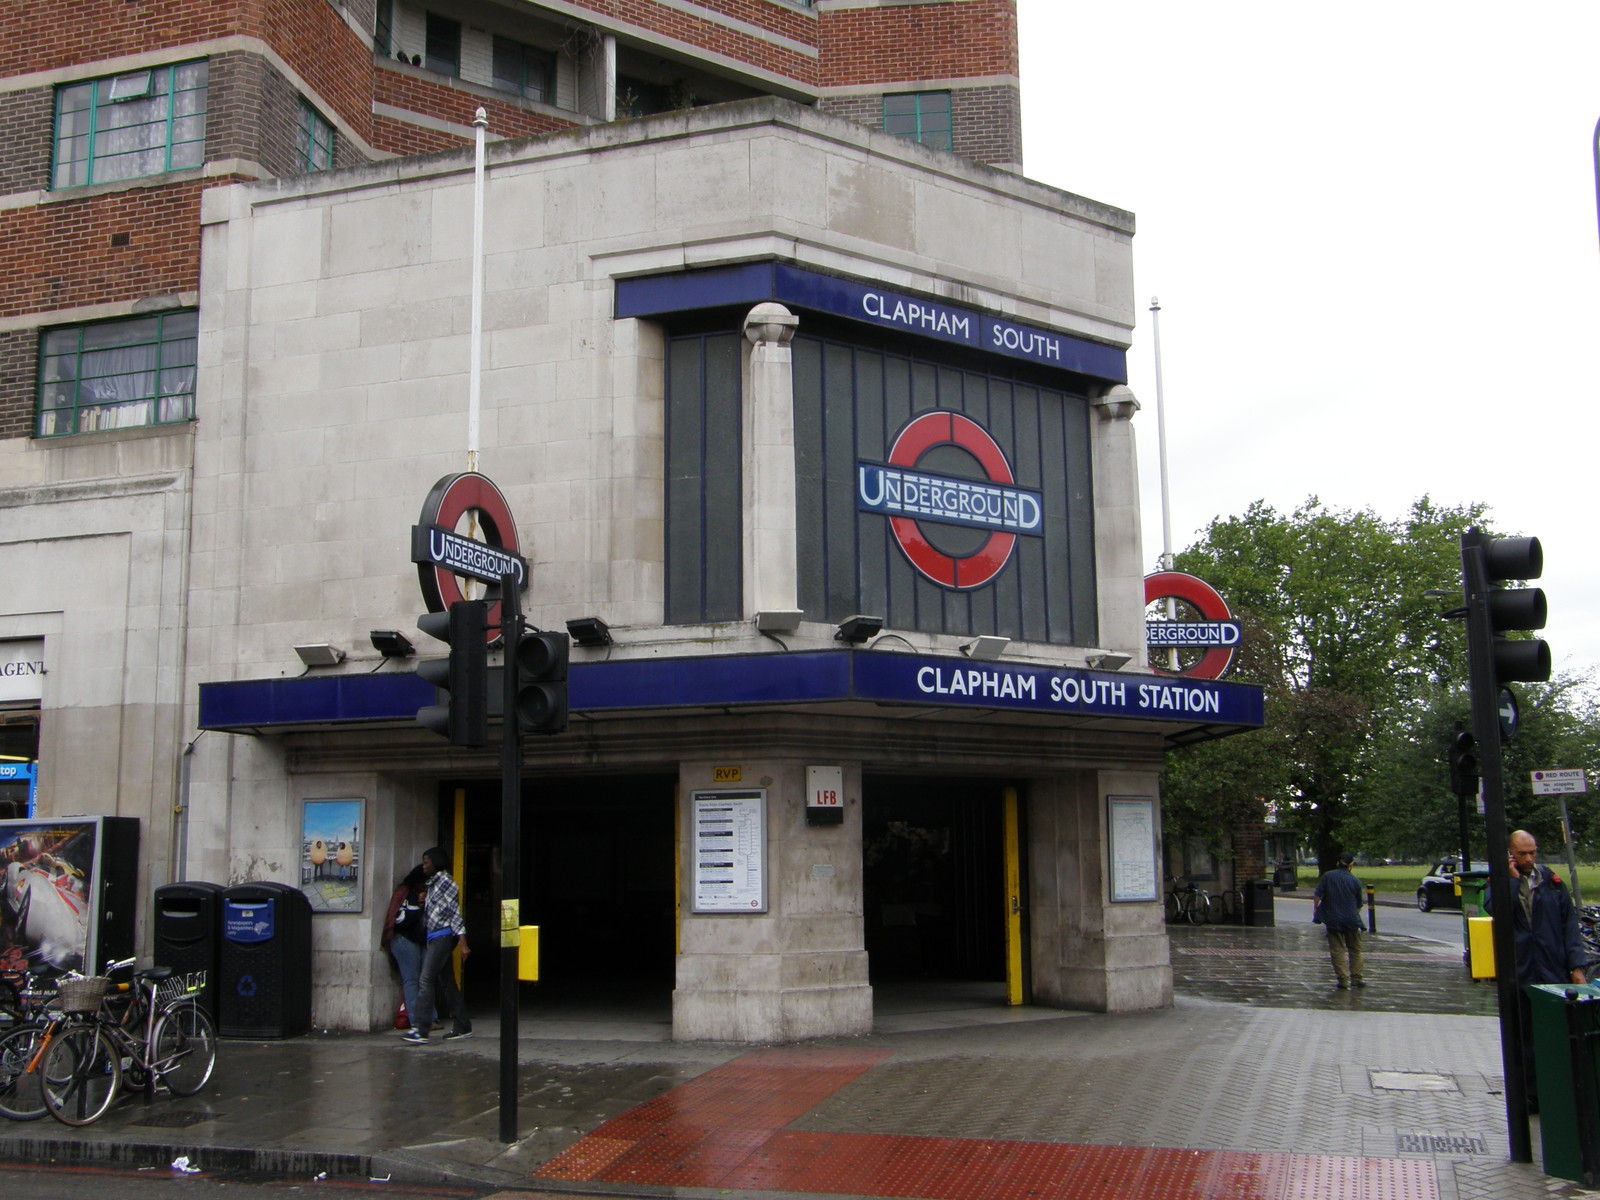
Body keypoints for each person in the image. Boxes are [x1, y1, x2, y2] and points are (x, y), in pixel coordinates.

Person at [1506, 829, 1586, 1110]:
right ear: (1511, 855)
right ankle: (1531, 1094)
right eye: (1522, 854)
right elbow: (1496, 909)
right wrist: (1513, 883)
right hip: (1522, 970)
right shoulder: (1504, 881)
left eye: (1532, 852)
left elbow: (1569, 926)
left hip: (1552, 969)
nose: (1528, 858)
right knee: (1525, 1035)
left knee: (1556, 1032)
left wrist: (1576, 966)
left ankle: (1557, 1088)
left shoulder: (1552, 882)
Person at [403, 845, 472, 1044]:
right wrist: (424, 902)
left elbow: (454, 912)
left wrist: (463, 942)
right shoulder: (433, 884)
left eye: (426, 863)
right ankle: (462, 1025)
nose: (423, 867)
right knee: (447, 982)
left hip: (442, 936)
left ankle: (420, 1029)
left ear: (436, 863)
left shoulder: (446, 882)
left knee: (425, 980)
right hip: (434, 936)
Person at [381, 865, 434, 1035]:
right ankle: (417, 1020)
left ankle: (430, 1018)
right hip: (404, 939)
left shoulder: (428, 895)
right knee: (411, 980)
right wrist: (417, 907)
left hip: (419, 939)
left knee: (423, 980)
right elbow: (398, 919)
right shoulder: (404, 893)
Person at [1311, 852, 1367, 989]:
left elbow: (1317, 896)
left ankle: (1343, 979)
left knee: (1337, 950)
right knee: (1355, 949)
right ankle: (1357, 978)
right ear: (1351, 865)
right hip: (1351, 920)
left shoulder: (1328, 876)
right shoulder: (1355, 881)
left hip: (1333, 919)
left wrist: (1316, 910)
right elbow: (1359, 905)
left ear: (1337, 863)